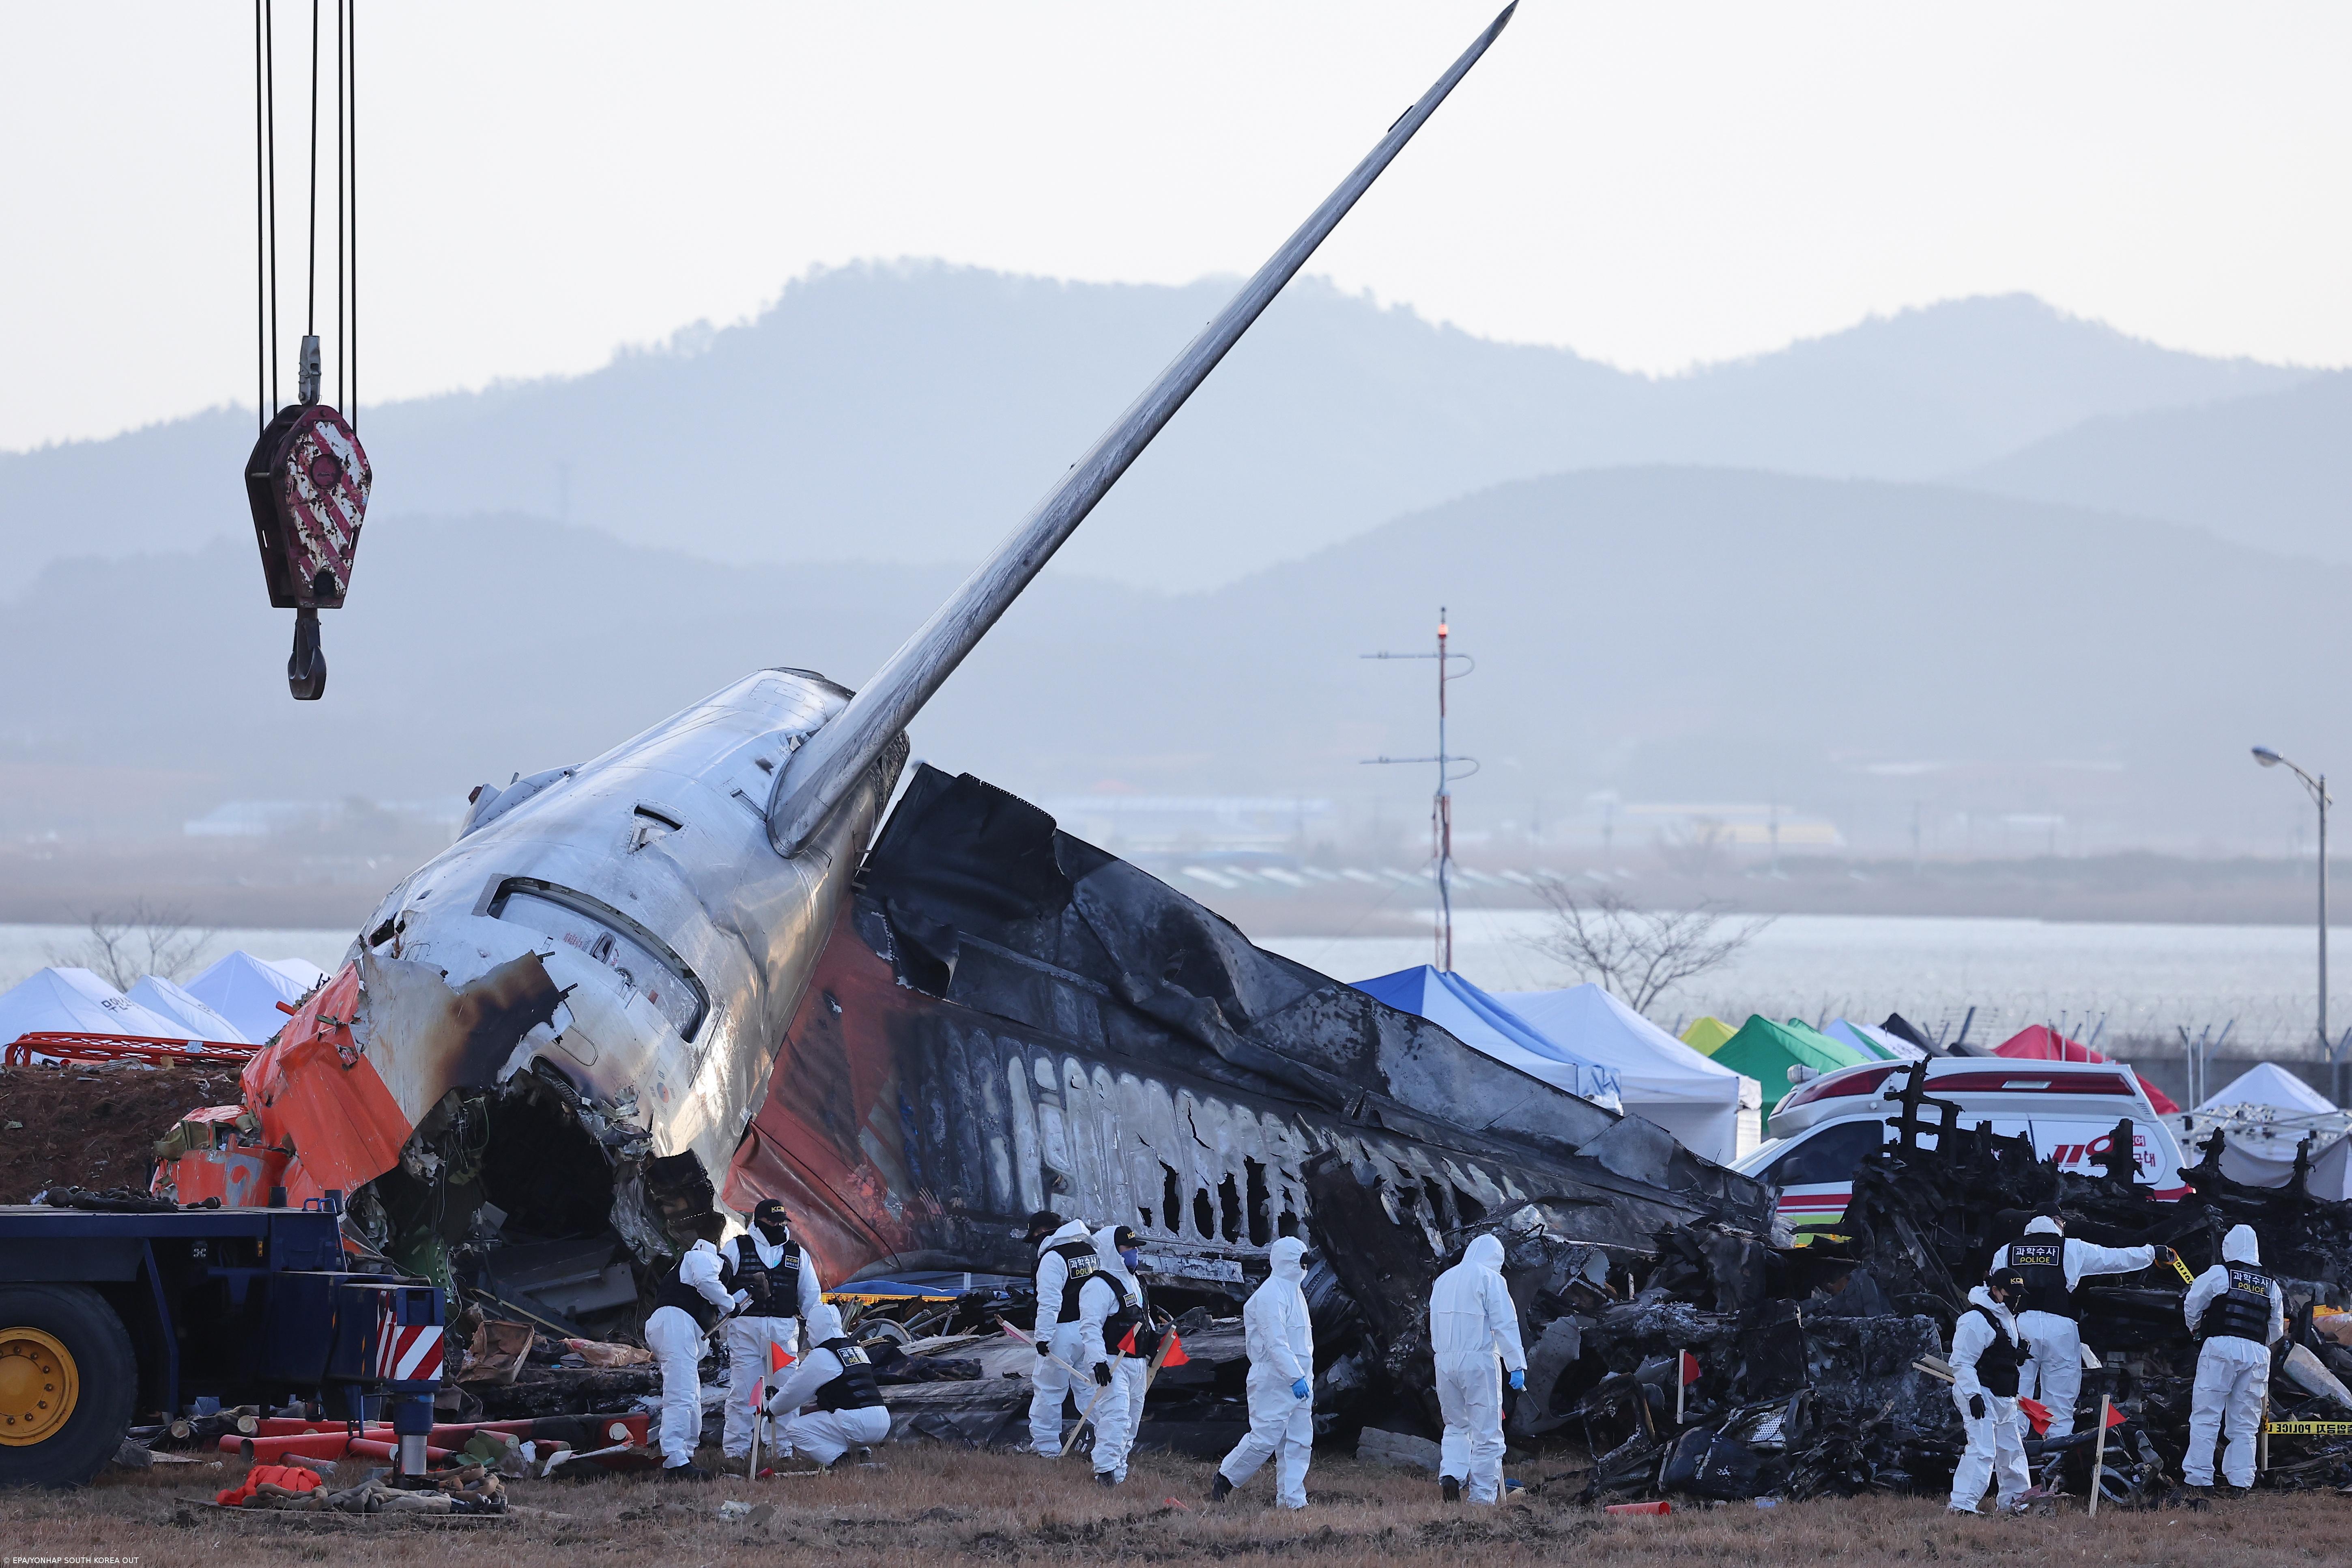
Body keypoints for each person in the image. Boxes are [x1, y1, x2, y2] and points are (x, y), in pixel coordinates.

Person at [1990, 1215, 2161, 1436]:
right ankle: (2058, 1449)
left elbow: (1994, 1289)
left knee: (2015, 1394)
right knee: (2060, 1399)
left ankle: (2013, 1448)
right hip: (2060, 1327)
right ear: (2058, 1222)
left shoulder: (2006, 1251)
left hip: (2019, 1326)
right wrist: (2152, 1253)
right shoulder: (2072, 1247)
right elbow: (2115, 1258)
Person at [718, 1198, 825, 1462]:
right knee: (743, 1392)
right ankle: (736, 1452)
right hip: (745, 1331)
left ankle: (782, 1450)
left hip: (784, 1332)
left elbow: (811, 1299)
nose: (778, 1226)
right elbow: (719, 1288)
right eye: (773, 1221)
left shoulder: (797, 1254)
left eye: (782, 1222)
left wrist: (823, 1336)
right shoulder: (737, 1247)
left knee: (786, 1392)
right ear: (759, 1221)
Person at [644, 1211, 749, 1480]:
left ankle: (685, 1453)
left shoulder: (686, 1269)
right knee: (680, 1393)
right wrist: (731, 1303)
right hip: (675, 1326)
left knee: (691, 1393)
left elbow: (717, 1302)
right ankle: (674, 1460)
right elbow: (708, 1283)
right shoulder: (703, 1257)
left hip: (674, 1327)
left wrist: (744, 1296)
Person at [1211, 1236, 1314, 1509]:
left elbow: (1301, 1343)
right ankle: (1226, 1477)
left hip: (1300, 1381)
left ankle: (1292, 1500)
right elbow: (1275, 1342)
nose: (1305, 1267)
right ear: (1289, 1261)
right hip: (1274, 1379)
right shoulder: (1270, 1294)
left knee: (1298, 1441)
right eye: (1302, 1261)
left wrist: (1303, 1378)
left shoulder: (1295, 1291)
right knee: (1264, 1439)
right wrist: (1294, 1377)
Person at [2182, 1224, 2283, 1493]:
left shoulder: (2220, 1273)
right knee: (2246, 1422)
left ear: (2229, 1246)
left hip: (2221, 1347)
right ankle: (2241, 1481)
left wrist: (2195, 1328)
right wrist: (2257, 1343)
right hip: (2257, 1353)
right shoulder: (2271, 1284)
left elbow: (2193, 1303)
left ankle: (2199, 1479)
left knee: (2207, 1414)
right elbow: (2276, 1328)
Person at [1429, 1233, 1527, 1504]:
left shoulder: (1444, 1279)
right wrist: (1516, 1365)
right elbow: (1505, 1324)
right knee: (1487, 1433)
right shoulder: (1490, 1278)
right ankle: (1482, 1498)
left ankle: (1451, 1474)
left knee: (1456, 1426)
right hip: (1478, 1362)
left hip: (1444, 1363)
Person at [761, 1303, 891, 1468]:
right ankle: (860, 1453)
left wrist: (773, 1408)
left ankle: (839, 1460)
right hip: (882, 1421)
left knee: (796, 1429)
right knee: (834, 1420)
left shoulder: (823, 1355)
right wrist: (781, 1394)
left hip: (858, 1424)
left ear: (815, 1328)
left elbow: (794, 1392)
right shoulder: (855, 1349)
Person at [1947, 1266, 2031, 1516]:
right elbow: (1962, 1362)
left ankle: (2016, 1503)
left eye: (2019, 1294)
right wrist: (1973, 1395)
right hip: (1980, 1394)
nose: (2016, 1299)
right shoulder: (1975, 1320)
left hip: (2004, 1396)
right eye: (2011, 1293)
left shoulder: (2006, 1316)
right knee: (1982, 1450)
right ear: (1995, 1290)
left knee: (2011, 1450)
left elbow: (1996, 1349)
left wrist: (2015, 1354)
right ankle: (1962, 1506)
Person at [1086, 1224, 1158, 1486]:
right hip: (1112, 1362)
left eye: (1135, 1248)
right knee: (1116, 1417)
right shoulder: (1098, 1286)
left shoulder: (1137, 1281)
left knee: (1132, 1420)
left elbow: (1144, 1318)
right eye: (1128, 1248)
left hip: (1138, 1363)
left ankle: (1119, 1471)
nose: (1134, 1253)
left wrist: (1154, 1343)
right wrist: (1098, 1362)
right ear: (1112, 1250)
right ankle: (1105, 1472)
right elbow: (1090, 1326)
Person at [1026, 1209, 1101, 1458]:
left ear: (1040, 1232)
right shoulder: (1090, 1251)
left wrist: (1043, 1337)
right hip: (1090, 1330)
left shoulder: (1052, 1258)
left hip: (1061, 1332)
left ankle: (1046, 1448)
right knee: (1090, 1390)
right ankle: (1109, 1441)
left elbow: (1049, 1302)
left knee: (1049, 1390)